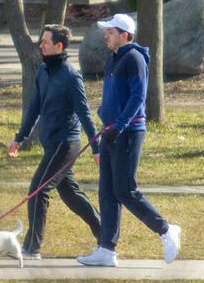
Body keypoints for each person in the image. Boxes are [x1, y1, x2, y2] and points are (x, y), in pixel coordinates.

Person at [76, 14, 181, 267]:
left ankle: (166, 230)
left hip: (129, 132)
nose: (106, 36)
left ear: (124, 35)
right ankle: (107, 248)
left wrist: (121, 125)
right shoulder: (114, 58)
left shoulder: (134, 59)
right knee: (107, 192)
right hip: (112, 130)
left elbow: (138, 97)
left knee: (125, 190)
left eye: (110, 32)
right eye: (107, 32)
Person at [7, 25, 101, 259]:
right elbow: (34, 108)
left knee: (38, 191)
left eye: (45, 42)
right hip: (51, 144)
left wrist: (96, 147)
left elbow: (85, 113)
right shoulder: (42, 72)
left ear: (59, 46)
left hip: (66, 143)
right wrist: (20, 137)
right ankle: (106, 236)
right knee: (71, 194)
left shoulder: (70, 76)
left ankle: (31, 248)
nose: (41, 45)